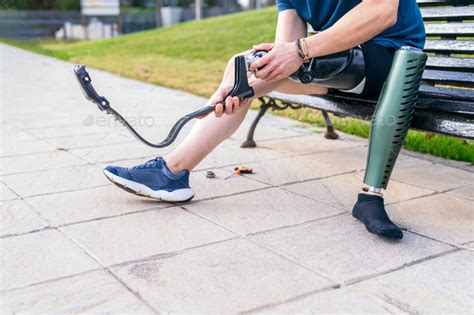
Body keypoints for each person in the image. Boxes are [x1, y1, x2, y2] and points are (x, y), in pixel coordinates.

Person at [103, 0, 425, 239]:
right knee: (244, 65)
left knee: (294, 63)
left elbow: (383, 10)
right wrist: (247, 82)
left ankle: (370, 197)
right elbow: (285, 51)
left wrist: (299, 52)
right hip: (335, 64)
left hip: (393, 59)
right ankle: (172, 172)